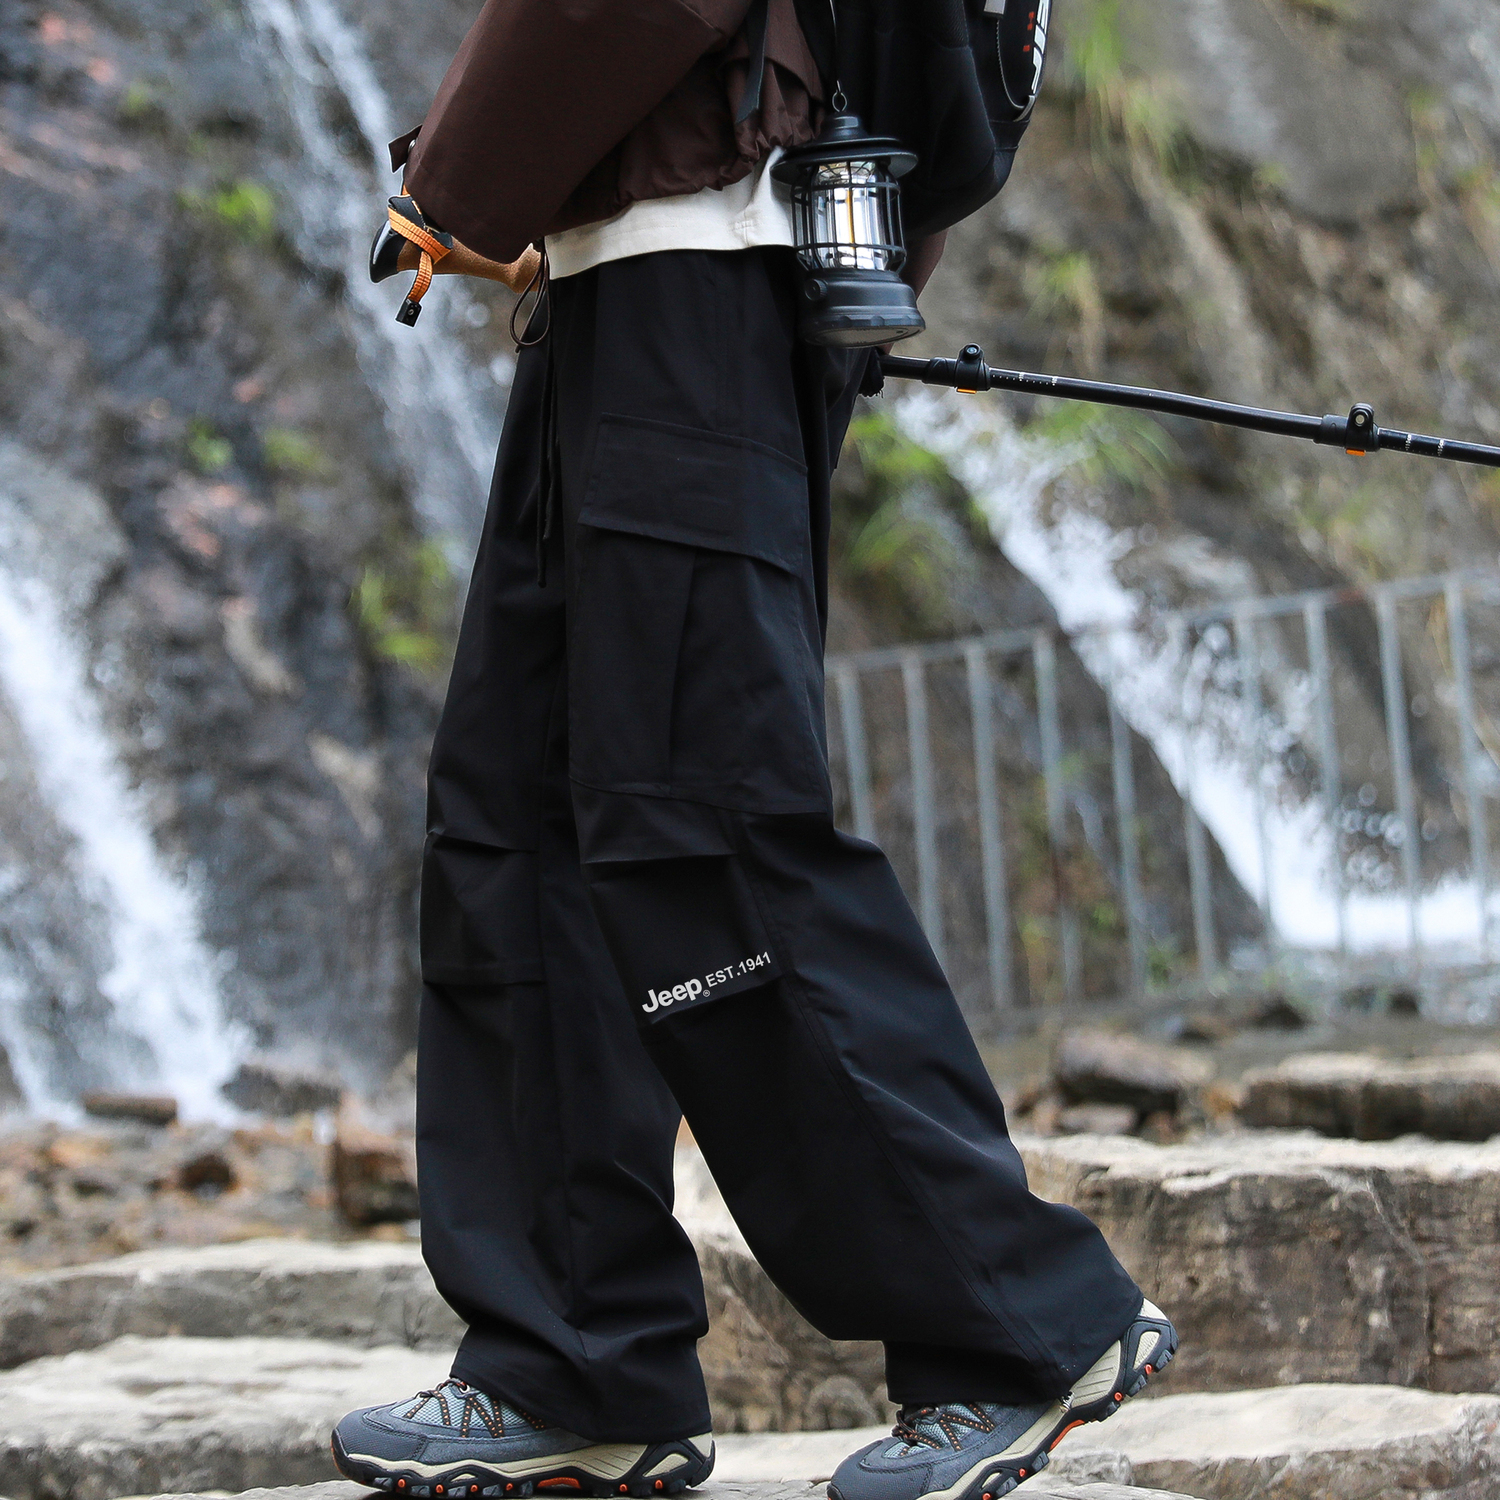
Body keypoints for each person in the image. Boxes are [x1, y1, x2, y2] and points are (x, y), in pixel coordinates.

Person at [332, 4, 1176, 1499]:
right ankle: (571, 1362)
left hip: (705, 284)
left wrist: (458, 180)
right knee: (520, 824)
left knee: (705, 821)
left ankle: (1022, 1327)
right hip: (636, 280)